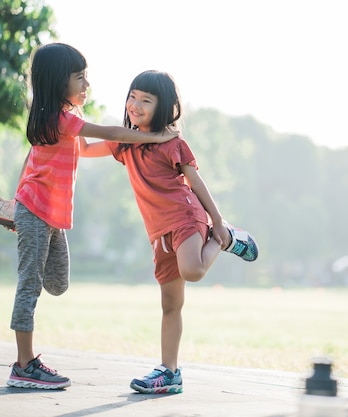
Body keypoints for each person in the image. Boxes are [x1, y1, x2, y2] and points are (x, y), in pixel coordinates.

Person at [6, 44, 177, 390]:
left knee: (58, 283)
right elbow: (111, 133)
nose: (87, 85)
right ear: (58, 82)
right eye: (80, 78)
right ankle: (24, 364)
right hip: (36, 213)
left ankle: (26, 362)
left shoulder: (55, 121)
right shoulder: (63, 118)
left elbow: (72, 151)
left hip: (47, 215)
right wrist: (154, 135)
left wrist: (15, 202)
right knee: (30, 286)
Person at [100, 70, 259, 394]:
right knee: (170, 304)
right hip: (159, 234)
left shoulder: (173, 143)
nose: (136, 105)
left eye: (146, 100)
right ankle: (169, 372)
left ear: (165, 107)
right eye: (132, 96)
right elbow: (87, 149)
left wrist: (216, 220)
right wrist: (63, 134)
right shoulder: (125, 145)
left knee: (194, 270)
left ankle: (225, 237)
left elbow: (195, 182)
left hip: (186, 215)